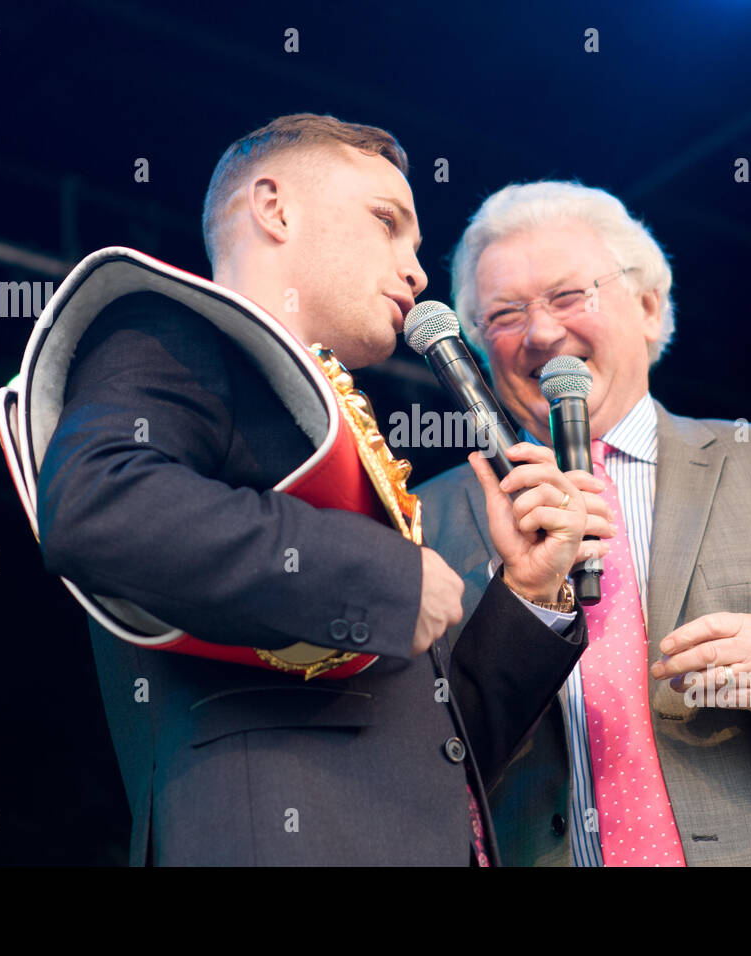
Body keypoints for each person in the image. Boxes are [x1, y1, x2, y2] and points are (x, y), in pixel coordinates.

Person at [34, 115, 598, 865]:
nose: (418, 271)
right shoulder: (170, 330)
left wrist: (528, 591)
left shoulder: (329, 429)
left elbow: (435, 760)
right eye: (387, 223)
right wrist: (390, 578)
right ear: (274, 208)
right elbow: (94, 504)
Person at [417, 180, 751, 866]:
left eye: (568, 296)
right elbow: (416, 765)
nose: (541, 332)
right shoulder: (422, 517)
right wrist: (526, 604)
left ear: (650, 306)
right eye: (504, 314)